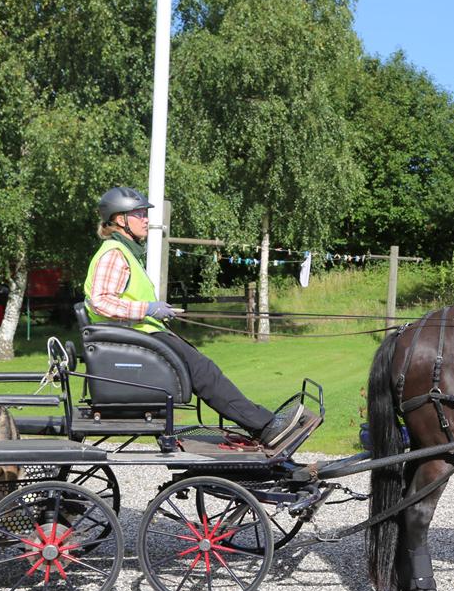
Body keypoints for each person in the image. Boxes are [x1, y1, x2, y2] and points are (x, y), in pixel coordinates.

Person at [83, 186, 304, 447]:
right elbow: (100, 301)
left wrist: (153, 311)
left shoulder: (124, 252)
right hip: (135, 340)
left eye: (145, 213)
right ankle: (264, 426)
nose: (146, 219)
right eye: (140, 214)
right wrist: (147, 309)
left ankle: (260, 423)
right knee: (204, 371)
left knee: (203, 369)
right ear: (120, 219)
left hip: (140, 336)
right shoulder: (114, 254)